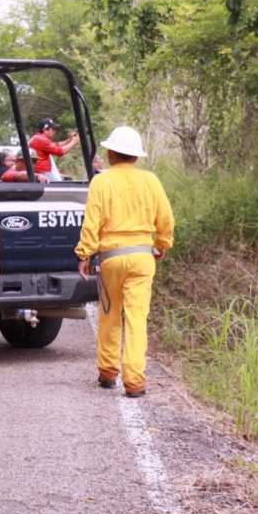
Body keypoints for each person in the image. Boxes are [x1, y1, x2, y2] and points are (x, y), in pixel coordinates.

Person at [75, 126, 174, 398]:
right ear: (136, 157)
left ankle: (108, 372)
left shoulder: (101, 182)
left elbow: (92, 222)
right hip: (143, 258)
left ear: (110, 154)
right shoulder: (151, 181)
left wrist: (84, 253)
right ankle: (134, 381)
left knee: (110, 314)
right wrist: (162, 243)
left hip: (111, 258)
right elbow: (165, 218)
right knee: (136, 319)